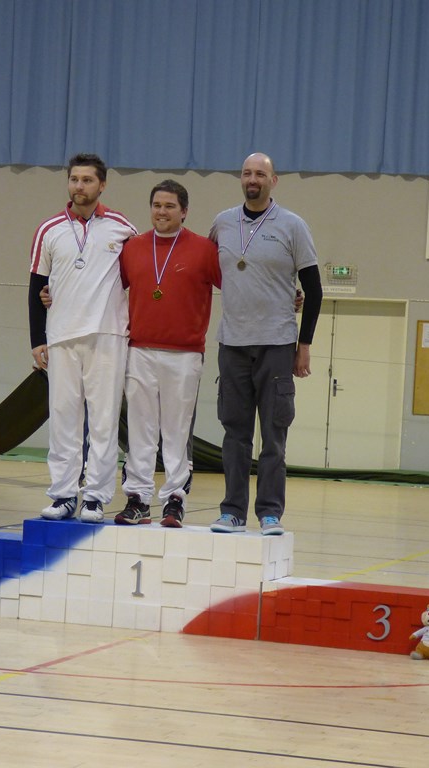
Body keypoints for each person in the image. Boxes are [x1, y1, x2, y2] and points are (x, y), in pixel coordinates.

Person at [208, 152, 323, 535]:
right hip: (232, 345)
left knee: (274, 436)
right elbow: (206, 273)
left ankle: (270, 513)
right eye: (247, 173)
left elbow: (314, 289)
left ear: (273, 181)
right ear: (241, 179)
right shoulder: (222, 223)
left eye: (260, 173)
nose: (252, 179)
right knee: (235, 435)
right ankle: (232, 512)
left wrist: (303, 344)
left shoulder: (293, 225)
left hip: (277, 344)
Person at [29, 153, 137, 524]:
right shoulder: (49, 230)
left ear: (102, 185)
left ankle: (94, 497)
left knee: (104, 420)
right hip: (61, 336)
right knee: (63, 419)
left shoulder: (122, 228)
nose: (79, 186)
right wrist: (37, 339)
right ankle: (63, 494)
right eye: (74, 179)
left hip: (108, 336)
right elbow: (36, 286)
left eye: (87, 180)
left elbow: (141, 276)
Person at [113, 180, 221, 528]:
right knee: (140, 428)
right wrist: (54, 294)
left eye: (170, 206)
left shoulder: (205, 250)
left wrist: (285, 297)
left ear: (184, 211)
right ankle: (138, 499)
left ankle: (175, 500)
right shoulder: (132, 248)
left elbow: (238, 287)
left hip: (185, 354)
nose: (162, 211)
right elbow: (103, 288)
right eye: (157, 205)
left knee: (177, 430)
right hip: (139, 350)